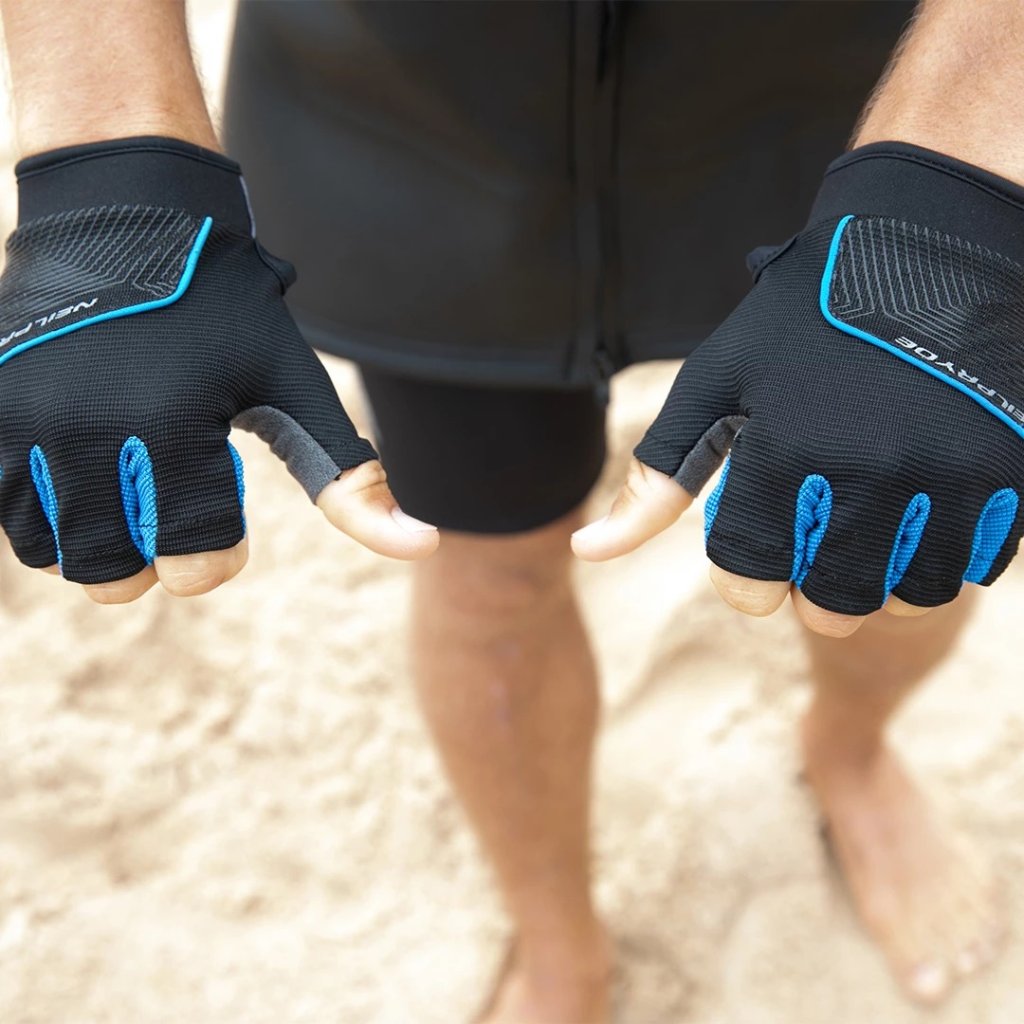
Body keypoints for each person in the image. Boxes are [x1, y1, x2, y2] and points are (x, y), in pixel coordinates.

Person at [0, 1, 1018, 1020]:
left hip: (851, 94)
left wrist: (954, 185)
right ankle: (557, 941)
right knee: (484, 565)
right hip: (407, 118)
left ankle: (850, 751)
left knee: (873, 519)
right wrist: (108, 171)